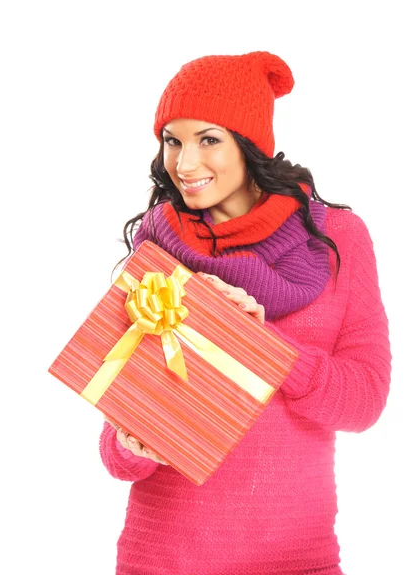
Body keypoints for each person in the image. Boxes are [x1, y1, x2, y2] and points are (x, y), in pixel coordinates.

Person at [98, 51, 391, 575]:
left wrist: (258, 347)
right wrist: (132, 441)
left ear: (250, 143)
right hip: (163, 560)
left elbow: (365, 400)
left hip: (298, 560)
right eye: (173, 140)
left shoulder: (338, 240)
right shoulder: (158, 246)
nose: (184, 164)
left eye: (208, 139)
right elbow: (118, 455)